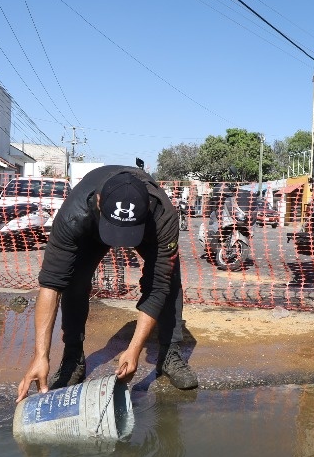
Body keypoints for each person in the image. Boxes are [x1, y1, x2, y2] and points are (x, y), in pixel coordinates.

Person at [16, 165, 198, 402]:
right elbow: (51, 282)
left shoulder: (163, 216)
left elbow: (157, 285)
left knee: (169, 278)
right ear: (100, 201)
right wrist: (41, 355)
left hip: (146, 231)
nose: (120, 244)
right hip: (92, 228)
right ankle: (73, 357)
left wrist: (134, 349)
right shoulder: (73, 214)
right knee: (74, 280)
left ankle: (170, 354)